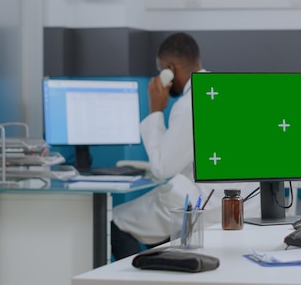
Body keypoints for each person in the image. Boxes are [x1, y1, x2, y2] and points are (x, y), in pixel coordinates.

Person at [111, 32, 260, 260]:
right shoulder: (222, 91)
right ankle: (168, 265)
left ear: (169, 69)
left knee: (116, 220)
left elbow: (163, 168)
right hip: (239, 204)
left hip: (205, 206)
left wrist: (155, 109)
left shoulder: (189, 103)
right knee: (157, 219)